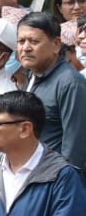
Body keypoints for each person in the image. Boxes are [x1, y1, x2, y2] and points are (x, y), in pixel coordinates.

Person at [15, 11, 86, 170]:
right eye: (21, 41)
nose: (26, 48)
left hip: (54, 178)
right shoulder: (32, 75)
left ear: (56, 44)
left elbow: (74, 150)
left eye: (34, 41)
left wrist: (61, 181)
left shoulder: (70, 83)